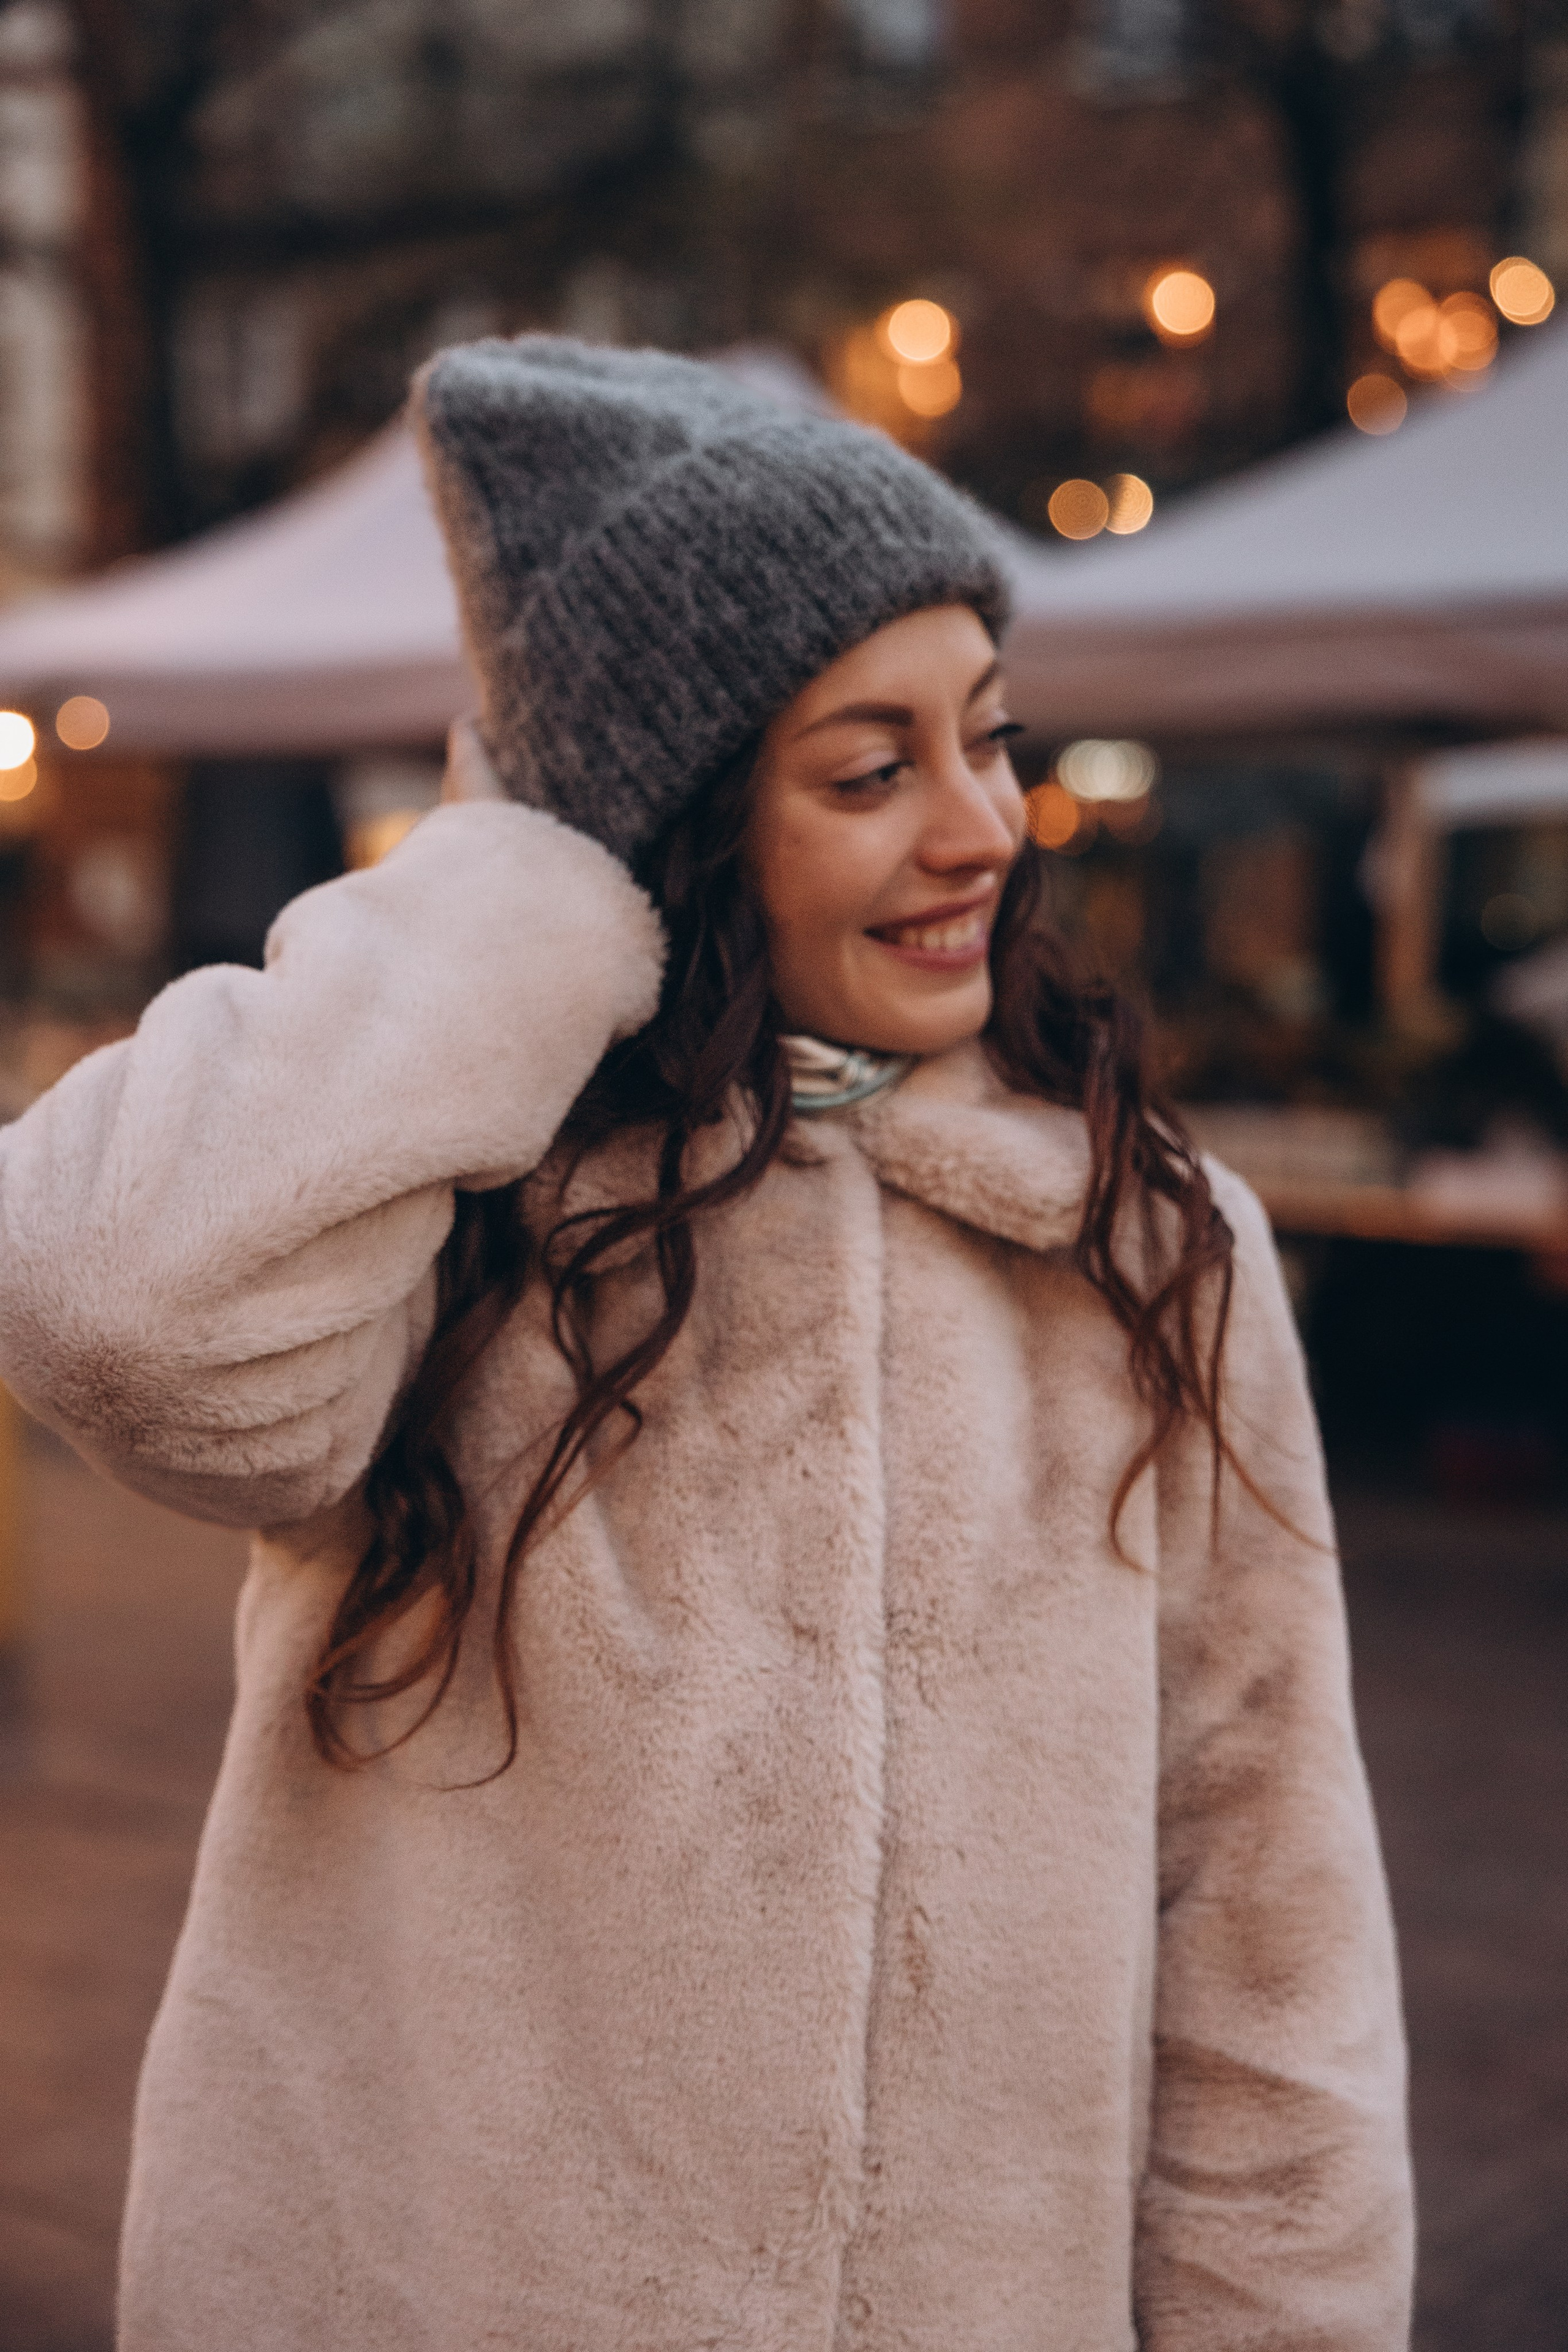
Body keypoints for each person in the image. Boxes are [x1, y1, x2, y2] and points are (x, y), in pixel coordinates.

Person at [0, 339, 1412, 2351]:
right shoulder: (452, 1214)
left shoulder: (1145, 1238)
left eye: (989, 739)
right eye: (868, 770)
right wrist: (524, 884)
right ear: (665, 831)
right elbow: (97, 1298)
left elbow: (1267, 1917)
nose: (983, 829)